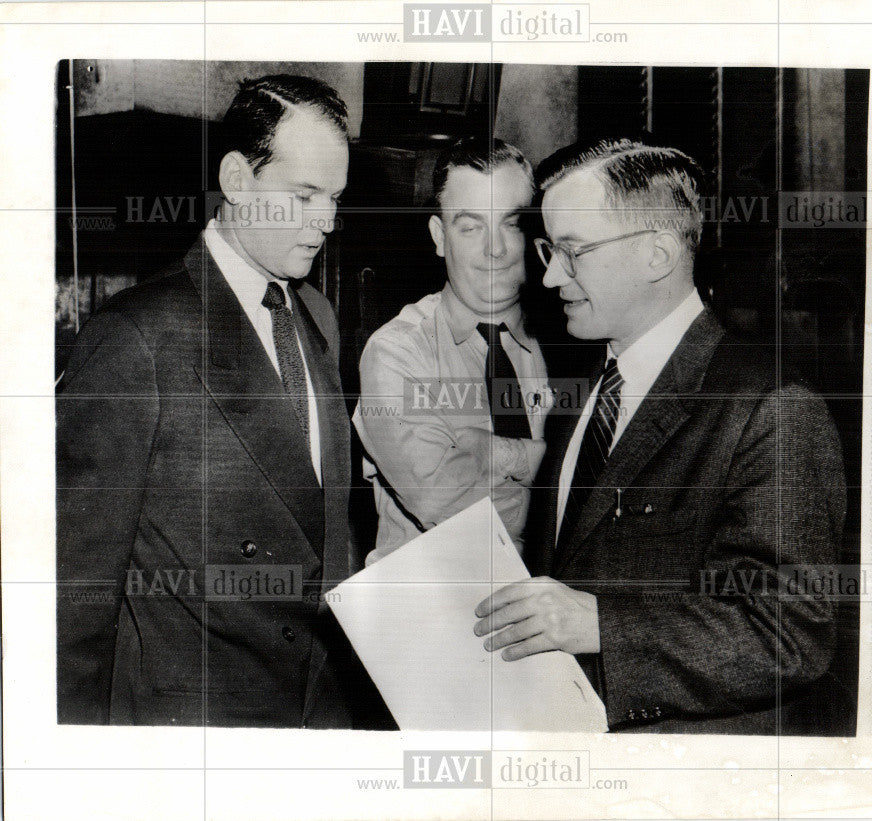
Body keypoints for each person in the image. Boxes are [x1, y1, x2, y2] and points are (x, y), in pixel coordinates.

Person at [474, 139, 847, 734]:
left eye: (572, 252)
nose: (547, 277)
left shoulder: (772, 409)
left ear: (657, 254)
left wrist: (600, 624)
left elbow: (788, 631)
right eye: (548, 250)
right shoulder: (587, 398)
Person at [57, 75, 362, 727]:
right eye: (305, 195)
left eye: (334, 198)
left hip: (316, 716)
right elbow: (72, 603)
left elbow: (325, 535)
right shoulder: (137, 337)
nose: (327, 221)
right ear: (237, 178)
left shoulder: (315, 317)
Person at [353, 137, 549, 563]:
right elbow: (455, 508)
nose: (494, 249)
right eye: (471, 226)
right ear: (440, 236)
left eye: (511, 223)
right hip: (434, 616)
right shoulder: (396, 352)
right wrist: (553, 468)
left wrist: (500, 454)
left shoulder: (571, 341)